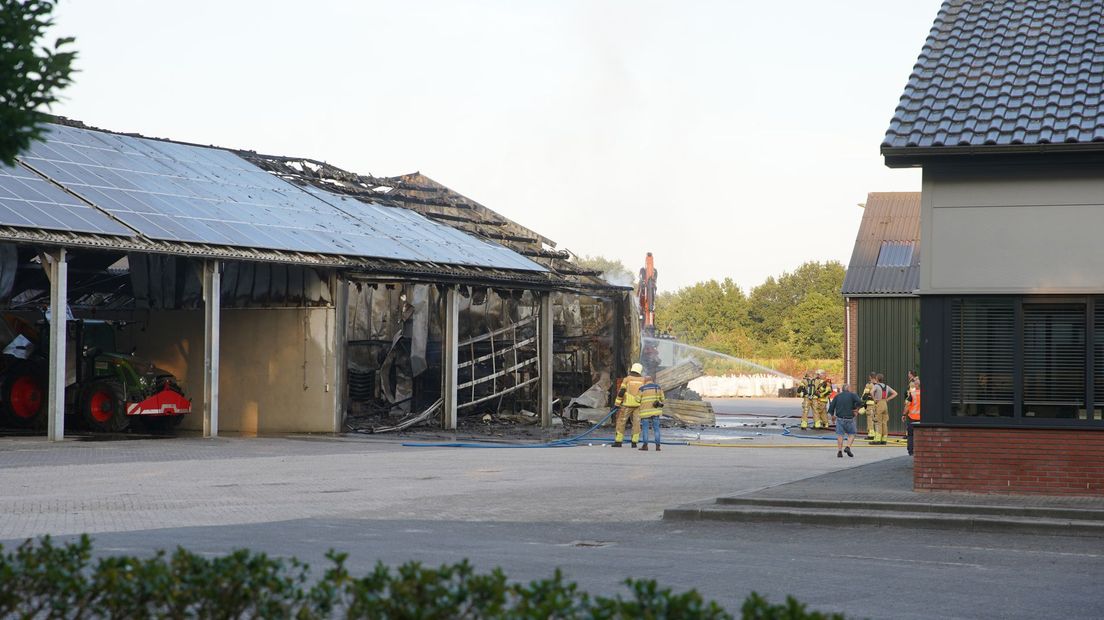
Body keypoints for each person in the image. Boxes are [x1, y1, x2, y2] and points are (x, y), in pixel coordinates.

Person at [612, 362, 645, 448]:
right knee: (636, 423)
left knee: (621, 422)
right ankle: (634, 442)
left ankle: (618, 442)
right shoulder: (643, 380)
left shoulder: (627, 379)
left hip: (627, 404)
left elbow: (621, 392)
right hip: (638, 405)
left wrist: (617, 404)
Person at [829, 384, 862, 457]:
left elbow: (831, 407)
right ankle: (848, 447)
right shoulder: (853, 395)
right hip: (849, 418)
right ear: (849, 389)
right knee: (852, 434)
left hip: (840, 419)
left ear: (842, 389)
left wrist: (832, 416)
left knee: (840, 435)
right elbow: (860, 402)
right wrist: (856, 409)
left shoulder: (837, 396)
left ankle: (839, 451)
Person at [637, 378, 665, 451]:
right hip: (655, 412)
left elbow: (637, 400)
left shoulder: (642, 389)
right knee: (656, 429)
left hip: (645, 412)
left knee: (645, 429)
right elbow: (663, 399)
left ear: (645, 381)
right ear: (652, 380)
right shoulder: (658, 387)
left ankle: (645, 446)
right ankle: (658, 446)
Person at [870, 373, 897, 445]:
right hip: (885, 404)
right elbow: (895, 393)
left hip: (879, 403)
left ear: (877, 379)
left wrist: (874, 398)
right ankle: (884, 439)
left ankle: (877, 439)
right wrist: (888, 399)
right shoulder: (886, 386)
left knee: (878, 422)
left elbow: (871, 392)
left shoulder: (876, 386)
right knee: (884, 422)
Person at [902, 371, 921, 455]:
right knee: (920, 435)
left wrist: (903, 414)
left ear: (916, 385)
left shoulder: (912, 394)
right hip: (921, 418)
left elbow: (907, 405)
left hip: (912, 417)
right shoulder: (925, 394)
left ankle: (911, 451)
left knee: (910, 435)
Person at [860, 372, 877, 440]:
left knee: (870, 420)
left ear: (870, 377)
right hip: (877, 405)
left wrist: (861, 402)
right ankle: (877, 434)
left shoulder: (869, 385)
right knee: (876, 420)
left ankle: (871, 435)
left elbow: (865, 394)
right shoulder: (879, 385)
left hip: (870, 404)